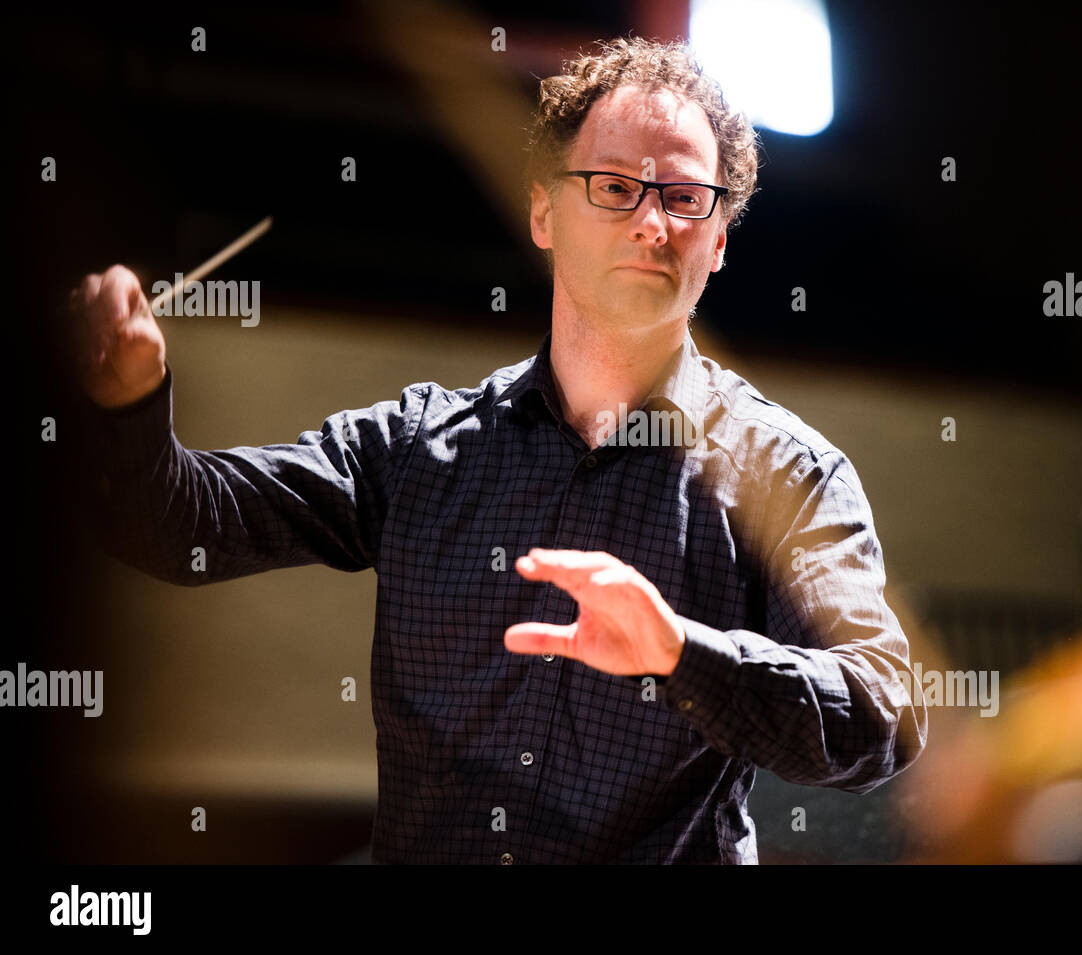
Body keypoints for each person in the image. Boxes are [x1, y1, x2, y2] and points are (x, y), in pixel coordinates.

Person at [69, 36, 926, 864]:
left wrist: (678, 651)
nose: (652, 221)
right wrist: (128, 403)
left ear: (721, 238)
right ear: (544, 211)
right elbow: (176, 523)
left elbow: (886, 713)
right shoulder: (418, 446)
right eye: (615, 185)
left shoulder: (789, 474)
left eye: (684, 196)